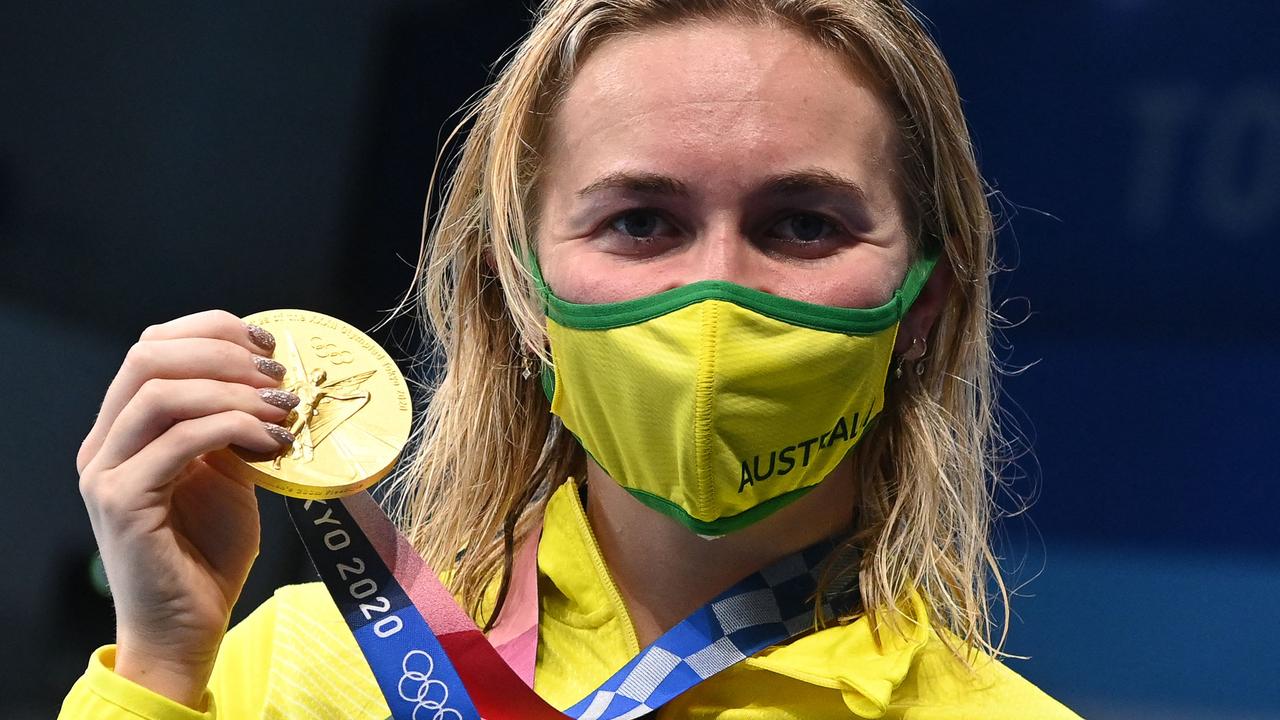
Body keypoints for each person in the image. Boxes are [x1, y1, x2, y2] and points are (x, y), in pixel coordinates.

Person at [61, 0, 1081, 717]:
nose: (714, 290)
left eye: (802, 224)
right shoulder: (298, 673)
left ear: (924, 302)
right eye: (640, 221)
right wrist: (159, 667)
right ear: (523, 295)